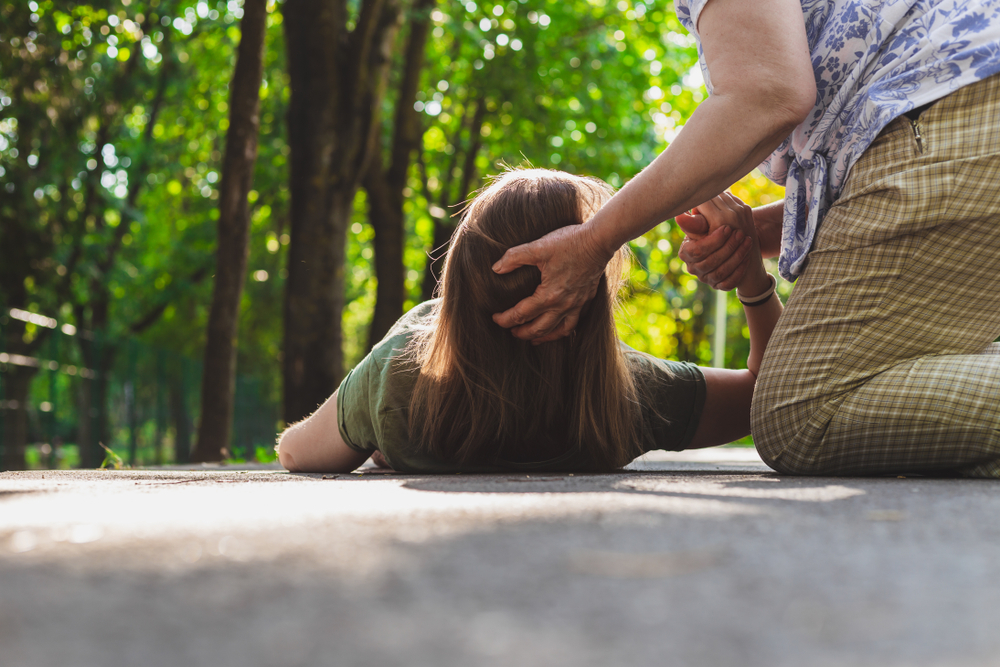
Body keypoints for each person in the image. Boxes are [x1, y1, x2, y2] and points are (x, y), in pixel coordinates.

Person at [489, 0, 1000, 477]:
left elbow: (767, 92)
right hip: (964, 101)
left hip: (953, 105)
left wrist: (596, 240)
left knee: (800, 416)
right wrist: (751, 239)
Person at [276, 169, 781, 473]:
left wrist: (378, 425)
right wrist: (753, 283)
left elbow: (296, 454)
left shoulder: (400, 378)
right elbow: (769, 396)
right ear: (588, 294)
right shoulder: (629, 394)